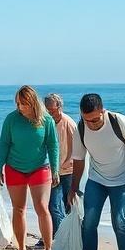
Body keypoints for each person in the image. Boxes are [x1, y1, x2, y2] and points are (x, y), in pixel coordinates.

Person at [68, 93, 125, 250]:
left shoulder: (119, 122)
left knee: (119, 222)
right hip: (96, 180)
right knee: (88, 223)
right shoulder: (80, 128)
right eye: (87, 120)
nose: (92, 123)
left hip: (122, 181)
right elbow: (78, 160)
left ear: (102, 111)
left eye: (95, 119)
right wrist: (73, 188)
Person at [0, 86, 58, 250]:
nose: (20, 107)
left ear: (32, 102)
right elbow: (4, 144)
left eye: (23, 103)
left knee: (42, 208)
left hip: (40, 167)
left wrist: (55, 170)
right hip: (14, 168)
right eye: (17, 103)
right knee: (18, 208)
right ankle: (21, 249)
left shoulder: (46, 120)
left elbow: (53, 146)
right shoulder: (11, 119)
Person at [43, 93, 75, 235]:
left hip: (68, 171)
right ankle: (59, 235)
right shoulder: (45, 122)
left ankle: (70, 235)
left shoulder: (69, 123)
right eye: (47, 110)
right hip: (51, 170)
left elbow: (77, 148)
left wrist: (66, 163)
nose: (50, 112)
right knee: (52, 205)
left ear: (60, 107)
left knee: (69, 205)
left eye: (52, 110)